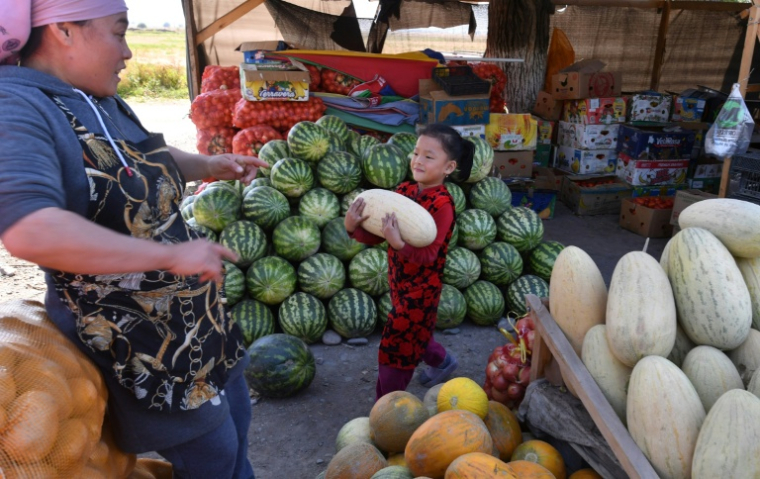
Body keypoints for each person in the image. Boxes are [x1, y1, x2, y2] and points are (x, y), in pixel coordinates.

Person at [0, 2, 265, 478]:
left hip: (201, 323)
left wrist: (208, 166)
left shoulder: (96, 96)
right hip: (144, 347)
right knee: (215, 459)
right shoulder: (17, 107)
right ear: (64, 30)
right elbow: (28, 227)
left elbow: (138, 158)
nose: (127, 52)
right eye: (118, 33)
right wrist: (165, 255)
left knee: (239, 429)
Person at [344, 123, 474, 400]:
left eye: (429, 156)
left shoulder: (443, 207)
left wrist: (399, 243)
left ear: (448, 167)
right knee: (418, 333)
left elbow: (429, 256)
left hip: (422, 291)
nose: (418, 160)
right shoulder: (402, 192)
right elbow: (379, 235)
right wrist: (353, 226)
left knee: (396, 345)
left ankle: (387, 406)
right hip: (399, 284)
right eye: (416, 153)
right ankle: (444, 362)